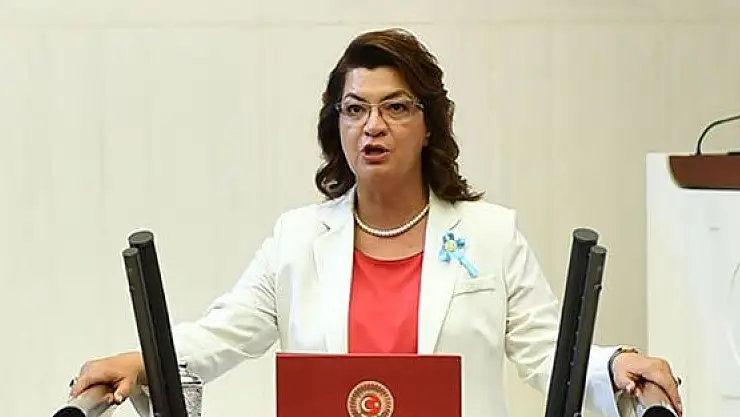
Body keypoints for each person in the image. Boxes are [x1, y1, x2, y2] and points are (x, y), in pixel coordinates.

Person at [70, 28, 683, 416]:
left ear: (429, 125)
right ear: (336, 125)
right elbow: (220, 335)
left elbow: (550, 353)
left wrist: (614, 363)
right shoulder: (297, 239)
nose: (373, 126)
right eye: (355, 109)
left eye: (395, 108)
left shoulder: (491, 236)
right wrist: (139, 360)